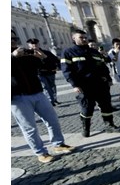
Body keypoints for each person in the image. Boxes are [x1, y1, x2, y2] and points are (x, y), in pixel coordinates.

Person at [11, 30, 75, 163]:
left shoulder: (25, 54)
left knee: (52, 120)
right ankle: (40, 152)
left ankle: (58, 144)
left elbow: (48, 68)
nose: (13, 41)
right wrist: (12, 56)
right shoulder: (14, 55)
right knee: (29, 127)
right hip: (17, 97)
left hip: (37, 92)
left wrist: (43, 58)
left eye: (14, 38)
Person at [61, 29, 120, 137]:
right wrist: (74, 85)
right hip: (84, 86)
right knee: (87, 108)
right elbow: (67, 70)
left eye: (85, 37)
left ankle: (109, 125)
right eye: (81, 37)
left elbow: (102, 66)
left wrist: (108, 79)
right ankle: (86, 128)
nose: (84, 39)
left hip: (100, 84)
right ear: (74, 38)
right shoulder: (68, 52)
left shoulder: (94, 52)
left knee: (106, 105)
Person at [27, 38, 60, 106]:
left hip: (50, 72)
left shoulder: (46, 52)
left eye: (36, 43)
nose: (34, 45)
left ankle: (54, 99)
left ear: (38, 44)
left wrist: (45, 57)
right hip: (40, 74)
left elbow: (55, 60)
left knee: (52, 86)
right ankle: (51, 101)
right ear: (29, 45)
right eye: (32, 44)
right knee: (46, 87)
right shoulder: (28, 55)